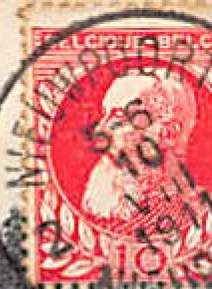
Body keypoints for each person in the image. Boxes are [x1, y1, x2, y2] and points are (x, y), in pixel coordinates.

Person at [79, 70, 200, 239]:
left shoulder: (181, 217)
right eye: (104, 116)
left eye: (118, 118)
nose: (100, 131)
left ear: (166, 133)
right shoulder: (106, 210)